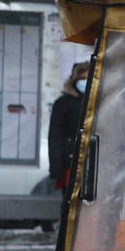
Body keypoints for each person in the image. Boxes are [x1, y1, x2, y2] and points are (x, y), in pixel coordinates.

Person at [48, 61, 89, 193]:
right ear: (74, 80)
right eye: (82, 78)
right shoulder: (63, 104)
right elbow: (55, 136)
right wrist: (56, 168)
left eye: (89, 78)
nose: (85, 82)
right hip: (69, 163)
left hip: (92, 164)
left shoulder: (100, 103)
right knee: (70, 202)